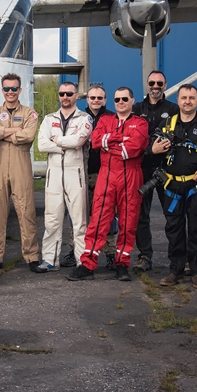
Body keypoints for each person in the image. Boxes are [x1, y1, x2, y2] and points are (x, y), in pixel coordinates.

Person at [147, 84, 197, 289]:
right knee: (174, 229)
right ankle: (176, 270)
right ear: (178, 100)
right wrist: (153, 149)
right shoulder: (167, 124)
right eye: (183, 98)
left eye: (191, 98)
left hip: (196, 185)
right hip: (172, 186)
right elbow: (149, 149)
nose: (187, 101)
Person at [69, 87, 148, 281]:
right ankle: (88, 264)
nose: (120, 102)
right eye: (117, 99)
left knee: (128, 221)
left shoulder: (140, 123)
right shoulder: (105, 120)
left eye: (124, 99)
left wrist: (109, 142)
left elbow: (134, 148)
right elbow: (96, 142)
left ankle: (122, 264)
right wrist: (119, 139)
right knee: (98, 220)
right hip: (106, 175)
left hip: (130, 175)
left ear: (132, 100)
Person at [0, 73, 40, 272]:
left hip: (20, 162)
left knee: (26, 210)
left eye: (14, 88)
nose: (10, 92)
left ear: (20, 90)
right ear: (2, 90)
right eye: (6, 89)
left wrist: (4, 133)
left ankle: (32, 256)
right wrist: (14, 131)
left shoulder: (29, 113)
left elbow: (29, 135)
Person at [36, 82, 92, 272]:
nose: (65, 97)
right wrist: (64, 145)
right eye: (62, 93)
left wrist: (57, 140)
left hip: (75, 175)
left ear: (77, 95)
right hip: (54, 176)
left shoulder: (85, 118)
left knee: (79, 221)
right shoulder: (48, 118)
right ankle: (49, 260)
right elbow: (42, 145)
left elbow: (78, 142)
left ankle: (82, 261)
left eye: (69, 93)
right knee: (51, 219)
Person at [132, 70, 180, 272]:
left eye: (160, 83)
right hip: (142, 169)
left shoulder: (174, 109)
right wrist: (150, 149)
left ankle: (177, 258)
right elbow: (131, 139)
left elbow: (179, 137)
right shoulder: (136, 108)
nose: (155, 87)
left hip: (167, 170)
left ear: (165, 85)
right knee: (141, 217)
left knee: (173, 216)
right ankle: (145, 256)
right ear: (147, 84)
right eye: (152, 83)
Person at [75, 84, 112, 269]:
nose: (96, 100)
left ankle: (111, 253)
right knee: (81, 215)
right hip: (82, 171)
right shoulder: (80, 118)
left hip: (105, 173)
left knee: (108, 215)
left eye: (100, 98)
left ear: (105, 99)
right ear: (87, 99)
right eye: (92, 98)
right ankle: (81, 252)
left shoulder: (112, 118)